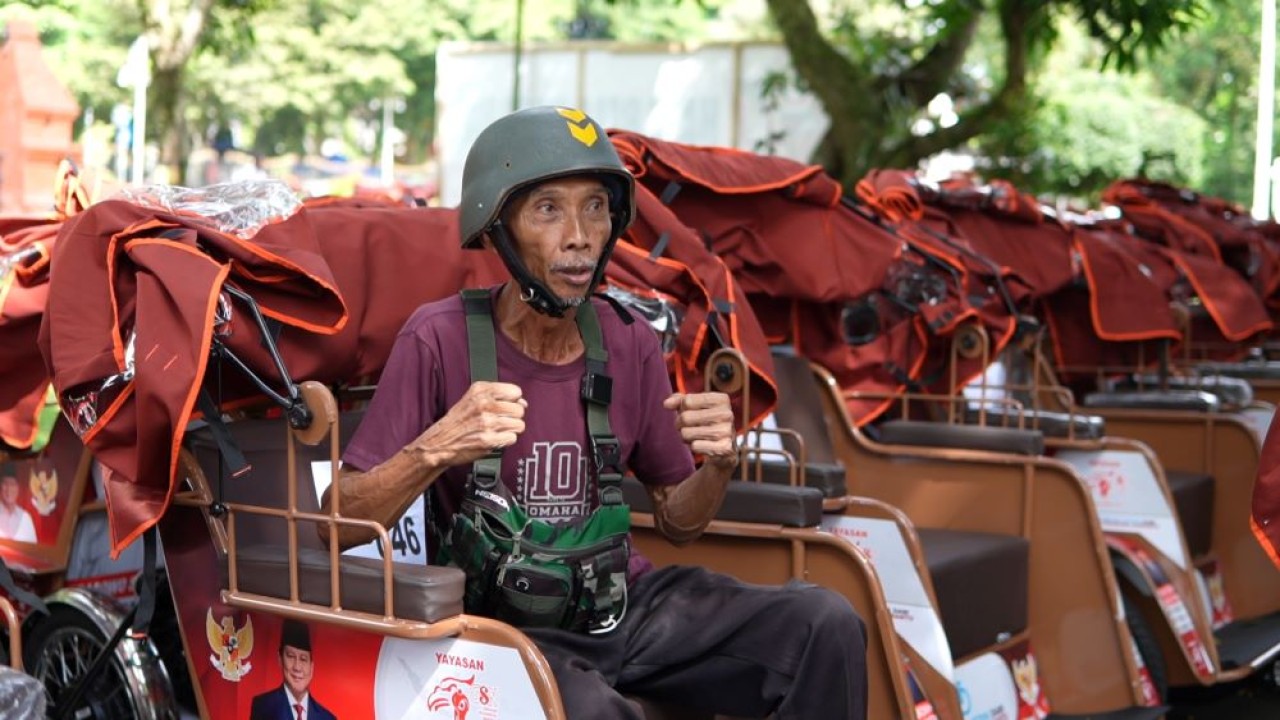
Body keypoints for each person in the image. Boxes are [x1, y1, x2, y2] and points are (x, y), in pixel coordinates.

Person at [323, 105, 867, 719]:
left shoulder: (629, 340)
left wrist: (717, 464)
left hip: (623, 606)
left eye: (596, 207)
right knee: (595, 711)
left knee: (823, 621)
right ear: (498, 227)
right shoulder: (438, 338)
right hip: (502, 631)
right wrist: (436, 448)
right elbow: (336, 524)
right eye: (548, 209)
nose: (579, 235)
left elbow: (678, 521)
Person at [249, 620, 336, 720]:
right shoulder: (263, 707)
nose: (297, 667)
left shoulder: (327, 718)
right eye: (291, 656)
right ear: (280, 659)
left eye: (303, 659)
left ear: (311, 667)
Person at [0, 474, 36, 543]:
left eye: (12, 484)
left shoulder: (26, 518)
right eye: (5, 484)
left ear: (18, 488)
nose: (9, 489)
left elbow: (33, 550)